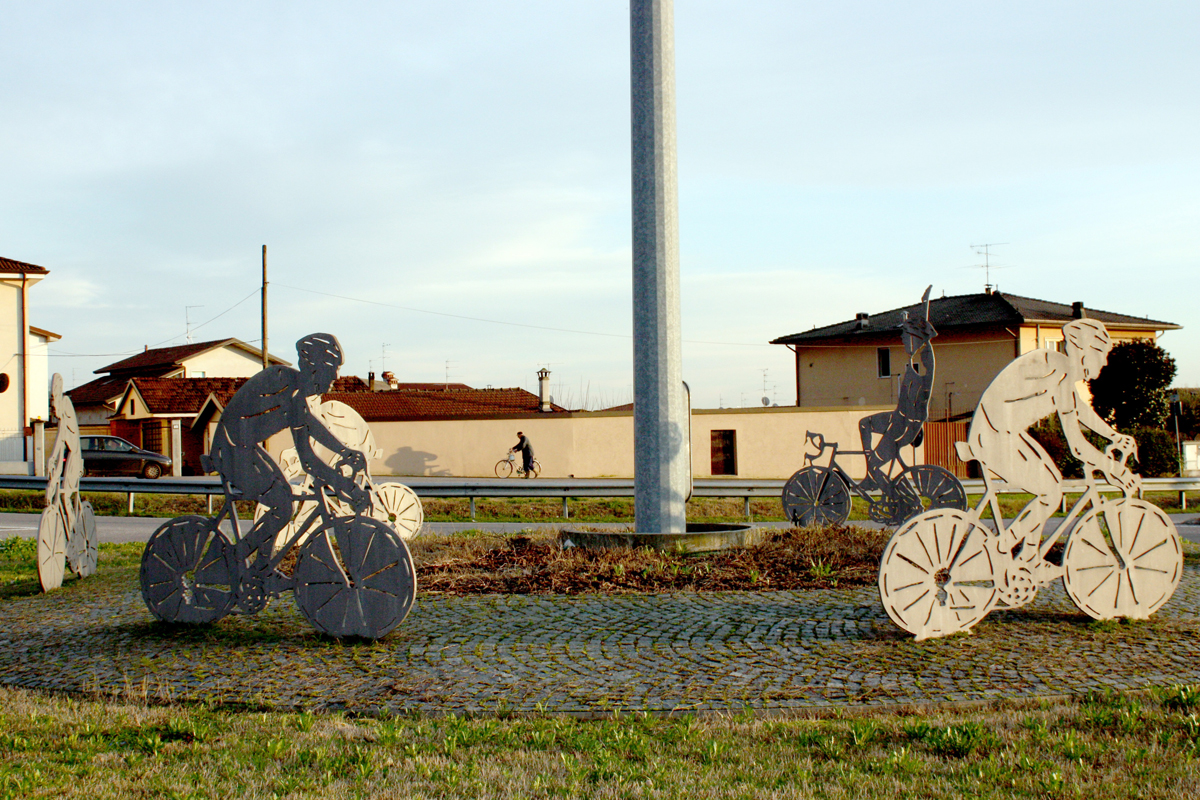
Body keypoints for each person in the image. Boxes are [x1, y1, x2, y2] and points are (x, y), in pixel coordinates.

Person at [957, 318, 1137, 574]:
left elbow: (1079, 410)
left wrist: (1113, 436)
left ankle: (1028, 559)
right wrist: (1113, 468)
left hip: (1002, 432)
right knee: (1051, 492)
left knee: (1051, 484)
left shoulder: (1059, 371)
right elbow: (1077, 446)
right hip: (994, 435)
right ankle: (1003, 546)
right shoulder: (1054, 369)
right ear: (1085, 352)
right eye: (1103, 354)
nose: (1105, 362)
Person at [207, 333, 368, 611]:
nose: (334, 381)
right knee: (282, 505)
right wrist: (342, 483)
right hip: (231, 448)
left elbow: (312, 426)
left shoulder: (296, 392)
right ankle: (235, 557)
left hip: (245, 447)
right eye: (332, 372)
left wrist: (344, 452)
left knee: (283, 503)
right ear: (314, 368)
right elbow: (308, 460)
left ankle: (260, 568)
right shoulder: (283, 383)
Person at [858, 303, 937, 498]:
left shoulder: (925, 359)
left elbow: (917, 400)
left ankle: (898, 498)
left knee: (875, 463)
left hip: (903, 424)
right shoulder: (914, 359)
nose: (902, 340)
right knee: (864, 424)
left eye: (905, 336)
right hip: (899, 419)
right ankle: (871, 470)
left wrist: (921, 339)